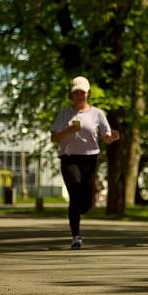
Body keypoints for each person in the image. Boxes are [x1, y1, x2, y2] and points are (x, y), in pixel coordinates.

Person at [51, 76, 120, 249]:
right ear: (71, 95)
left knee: (86, 201)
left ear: (88, 93)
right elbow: (54, 137)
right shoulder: (64, 114)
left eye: (82, 92)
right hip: (69, 157)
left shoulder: (97, 114)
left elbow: (106, 137)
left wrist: (112, 138)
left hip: (90, 158)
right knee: (75, 191)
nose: (79, 96)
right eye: (76, 93)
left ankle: (82, 208)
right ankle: (76, 237)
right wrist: (69, 130)